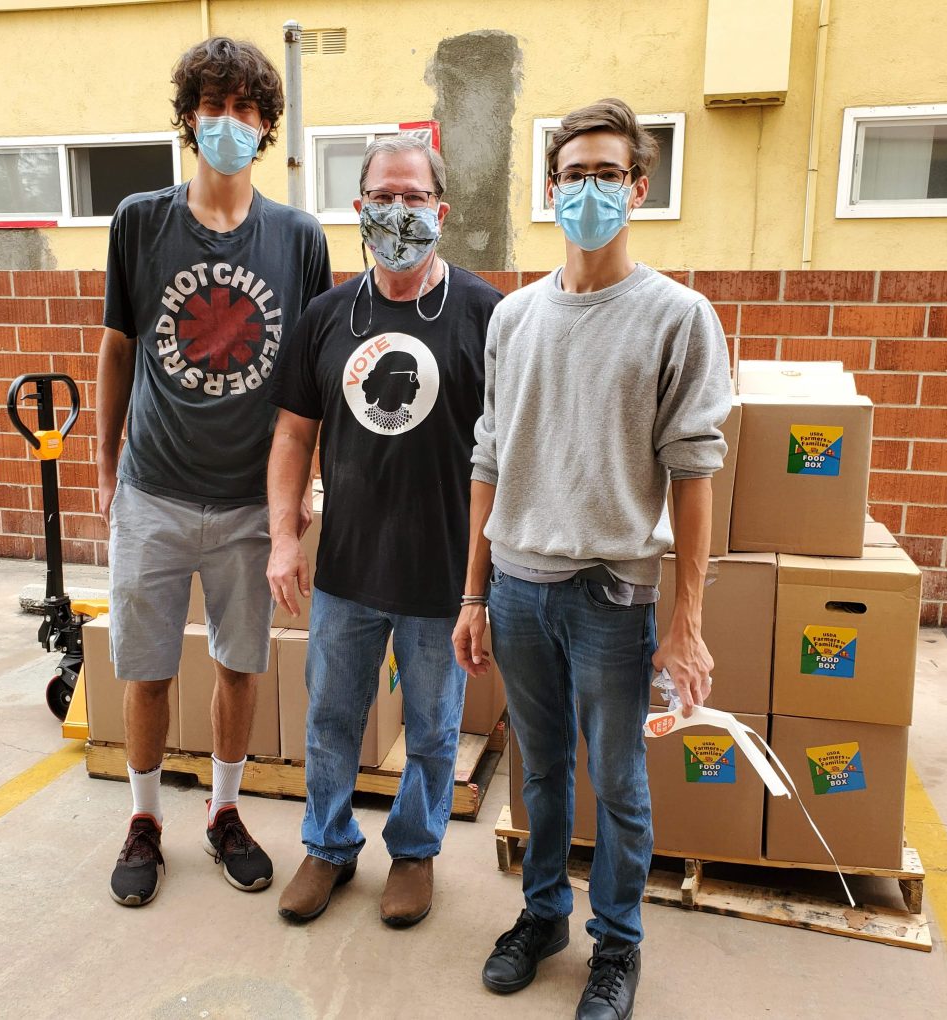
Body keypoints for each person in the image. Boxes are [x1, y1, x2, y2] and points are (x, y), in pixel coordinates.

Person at [453, 98, 731, 1019]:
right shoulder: (514, 317)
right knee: (538, 773)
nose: (589, 191)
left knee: (616, 782)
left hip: (614, 596)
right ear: (550, 188)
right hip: (519, 591)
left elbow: (694, 474)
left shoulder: (678, 317)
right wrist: (473, 595)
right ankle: (542, 916)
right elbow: (489, 459)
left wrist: (686, 623)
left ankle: (617, 943)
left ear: (639, 189)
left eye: (608, 175)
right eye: (574, 175)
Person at [97, 36, 331, 908]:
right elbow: (117, 349)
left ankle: (224, 812)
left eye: (245, 108)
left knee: (240, 666)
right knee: (146, 670)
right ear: (189, 118)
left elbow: (312, 376)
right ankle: (144, 819)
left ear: (266, 126)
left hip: (248, 503)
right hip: (153, 491)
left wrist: (300, 494)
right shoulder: (139, 221)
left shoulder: (300, 238)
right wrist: (106, 469)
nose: (228, 122)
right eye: (213, 105)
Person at [266, 135, 501, 927]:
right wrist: (284, 537)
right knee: (331, 721)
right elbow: (293, 434)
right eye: (381, 196)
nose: (397, 211)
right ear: (358, 208)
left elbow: (507, 453)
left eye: (413, 196)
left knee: (433, 731)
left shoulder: (485, 314)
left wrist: (484, 582)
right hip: (349, 572)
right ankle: (328, 846)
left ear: (441, 210)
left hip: (442, 577)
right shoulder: (328, 316)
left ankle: (414, 852)